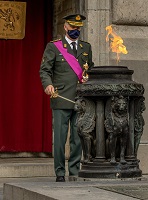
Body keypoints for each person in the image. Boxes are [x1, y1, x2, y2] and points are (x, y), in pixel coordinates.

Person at [39, 14, 94, 182]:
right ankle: (60, 172)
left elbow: (89, 69)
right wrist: (48, 85)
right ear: (65, 27)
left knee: (77, 139)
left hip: (80, 100)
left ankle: (75, 172)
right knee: (60, 139)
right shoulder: (54, 47)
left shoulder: (86, 47)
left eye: (78, 28)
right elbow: (45, 70)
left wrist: (88, 78)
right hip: (61, 97)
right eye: (73, 28)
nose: (76, 31)